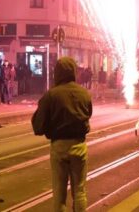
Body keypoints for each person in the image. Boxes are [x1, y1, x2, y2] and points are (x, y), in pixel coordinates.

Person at [31, 57, 92, 212]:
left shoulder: (51, 95)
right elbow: (88, 114)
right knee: (79, 191)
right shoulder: (84, 93)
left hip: (59, 146)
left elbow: (38, 126)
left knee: (59, 195)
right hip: (79, 146)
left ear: (56, 73)